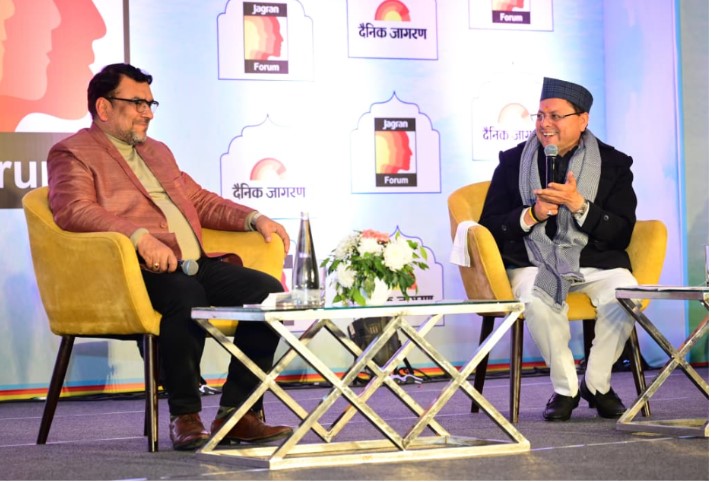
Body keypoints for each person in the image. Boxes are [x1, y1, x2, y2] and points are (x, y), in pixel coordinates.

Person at [47, 63, 294, 450]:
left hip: (196, 264)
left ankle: (238, 414)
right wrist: (138, 237)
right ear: (104, 107)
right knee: (185, 295)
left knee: (267, 293)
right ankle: (185, 415)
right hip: (133, 270)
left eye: (150, 103)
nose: (147, 112)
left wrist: (253, 217)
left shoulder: (158, 151)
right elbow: (73, 209)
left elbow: (199, 200)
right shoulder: (72, 152)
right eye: (137, 103)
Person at [479, 77, 638, 421]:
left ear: (582, 120)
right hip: (531, 260)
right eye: (540, 116)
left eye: (554, 116)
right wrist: (531, 214)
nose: (544, 124)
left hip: (591, 260)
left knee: (626, 291)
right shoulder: (513, 161)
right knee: (537, 297)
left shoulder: (614, 164)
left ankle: (597, 384)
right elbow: (489, 225)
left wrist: (581, 206)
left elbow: (622, 232)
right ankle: (565, 389)